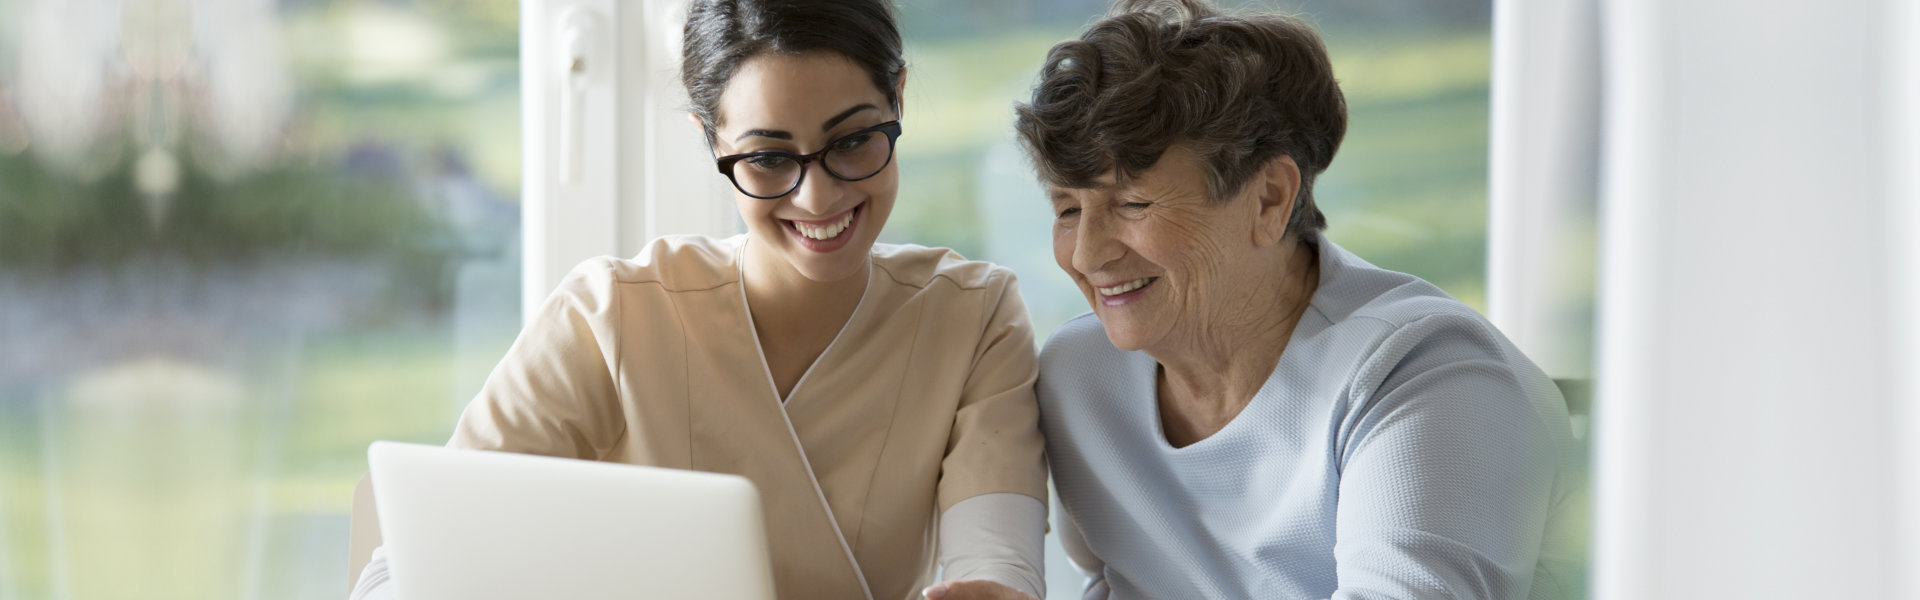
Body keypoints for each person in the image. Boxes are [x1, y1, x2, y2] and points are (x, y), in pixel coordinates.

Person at [349, 1, 1048, 599]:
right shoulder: (612, 316)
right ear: (708, 140)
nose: (819, 196)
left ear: (899, 98)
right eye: (770, 158)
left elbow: (995, 562)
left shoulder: (974, 318)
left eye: (854, 141)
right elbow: (403, 568)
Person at [1016, 1, 1576, 598]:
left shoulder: (1426, 376)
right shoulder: (1080, 377)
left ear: (1269, 199)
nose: (1087, 255)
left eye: (1133, 204)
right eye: (1068, 210)